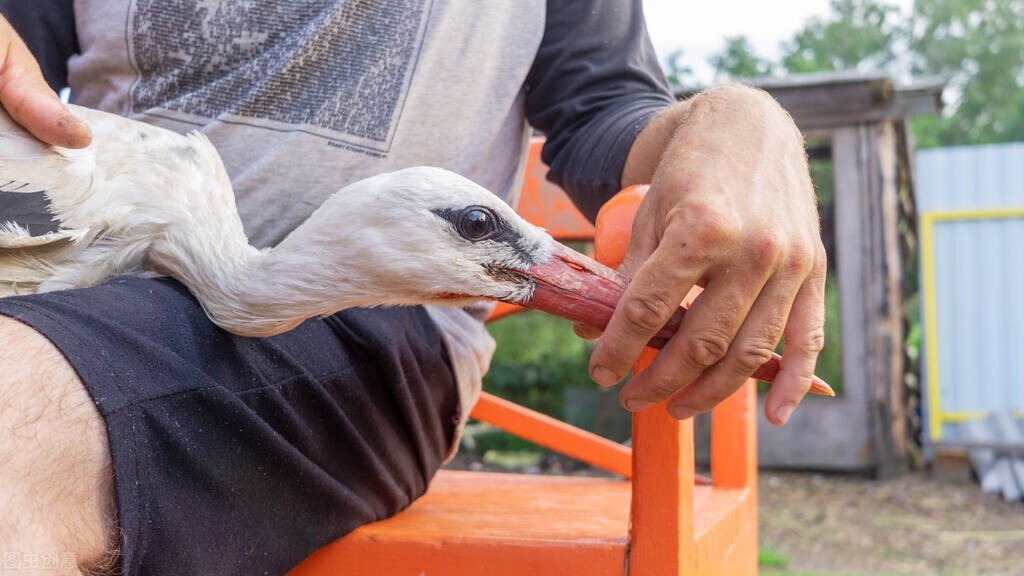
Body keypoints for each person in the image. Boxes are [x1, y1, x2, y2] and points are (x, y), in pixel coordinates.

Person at [0, 1, 825, 574]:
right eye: (480, 229)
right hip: (89, 293)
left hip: (372, 339)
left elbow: (605, 107)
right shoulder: (124, 193)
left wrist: (739, 120)